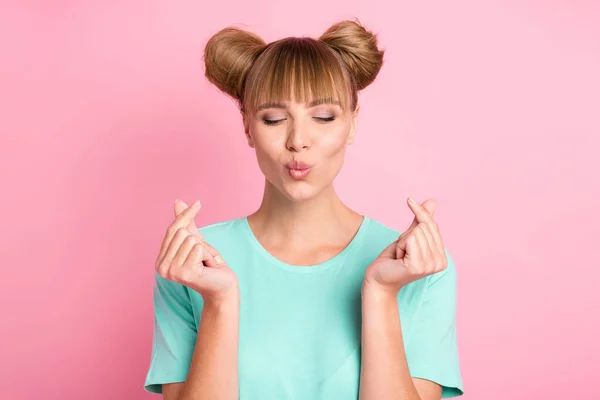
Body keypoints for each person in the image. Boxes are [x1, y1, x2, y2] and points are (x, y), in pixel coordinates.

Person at [144, 19, 464, 400]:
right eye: (274, 119)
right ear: (247, 125)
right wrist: (219, 303)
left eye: (323, 117)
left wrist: (379, 294)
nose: (298, 141)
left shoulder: (421, 266)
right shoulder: (191, 264)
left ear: (351, 124)